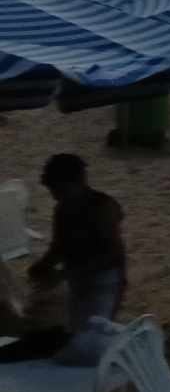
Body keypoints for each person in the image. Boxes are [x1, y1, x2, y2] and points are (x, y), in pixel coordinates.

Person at [9, 155, 126, 364]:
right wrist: (43, 265)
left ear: (77, 182)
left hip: (104, 282)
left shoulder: (102, 207)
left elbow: (111, 256)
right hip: (78, 282)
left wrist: (64, 274)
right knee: (78, 335)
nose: (55, 195)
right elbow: (59, 246)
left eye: (58, 189)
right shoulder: (62, 209)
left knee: (93, 339)